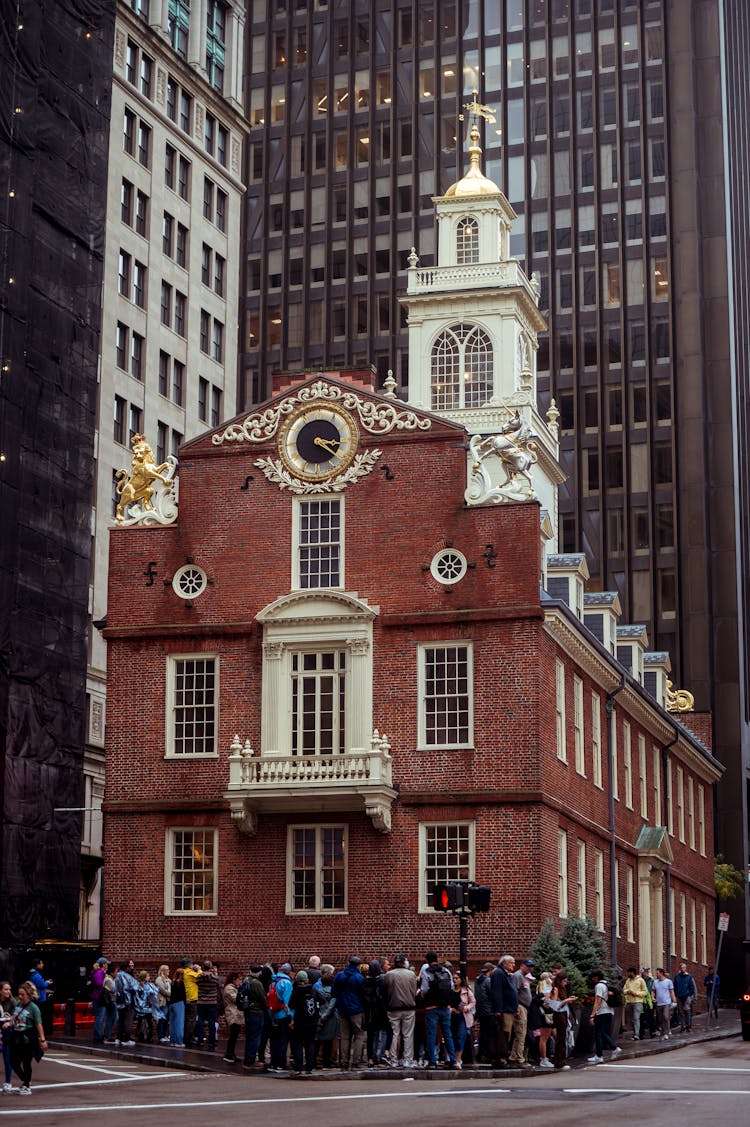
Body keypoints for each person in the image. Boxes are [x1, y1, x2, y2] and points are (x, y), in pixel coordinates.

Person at [420, 951, 458, 1068]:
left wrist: (422, 995)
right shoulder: (446, 971)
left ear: (427, 961)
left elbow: (424, 989)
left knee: (432, 1034)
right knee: (448, 1034)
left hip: (432, 1007)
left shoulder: (427, 972)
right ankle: (453, 1060)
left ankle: (432, 1061)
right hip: (446, 1007)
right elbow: (451, 986)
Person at [10, 982, 47, 1095]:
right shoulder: (18, 1004)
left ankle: (26, 1084)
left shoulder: (34, 1008)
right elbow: (14, 1017)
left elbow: (38, 1024)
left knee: (26, 1063)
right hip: (16, 1038)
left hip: (27, 1039)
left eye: (23, 994)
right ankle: (25, 1080)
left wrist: (42, 1040)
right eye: (19, 994)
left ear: (29, 994)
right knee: (14, 1062)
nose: (20, 997)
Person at [332, 956, 366, 1071]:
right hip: (356, 1009)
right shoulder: (359, 977)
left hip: (343, 1009)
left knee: (345, 1037)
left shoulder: (339, 975)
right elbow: (363, 994)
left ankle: (344, 1063)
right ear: (358, 965)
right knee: (359, 1035)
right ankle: (355, 1062)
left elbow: (334, 992)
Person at [383, 953, 417, 1068]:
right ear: (404, 962)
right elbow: (414, 991)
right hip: (408, 1007)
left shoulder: (389, 975)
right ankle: (407, 1059)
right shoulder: (411, 974)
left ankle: (393, 1059)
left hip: (393, 1007)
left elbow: (386, 992)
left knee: (394, 1034)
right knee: (407, 1034)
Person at [490, 955, 519, 1068]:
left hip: (509, 1008)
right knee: (504, 1033)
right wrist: (498, 1009)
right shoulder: (499, 973)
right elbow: (497, 992)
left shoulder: (505, 974)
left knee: (507, 1034)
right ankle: (500, 1058)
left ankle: (502, 1056)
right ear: (504, 963)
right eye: (512, 963)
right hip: (504, 1010)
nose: (513, 965)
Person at [586, 971, 622, 1063]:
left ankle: (612, 1049)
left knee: (599, 1033)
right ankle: (599, 1055)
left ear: (596, 977)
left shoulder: (599, 986)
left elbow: (597, 1001)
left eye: (593, 977)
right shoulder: (607, 984)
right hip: (610, 1012)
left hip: (602, 1012)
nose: (592, 979)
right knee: (602, 1033)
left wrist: (592, 1015)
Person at [289, 970, 319, 1074]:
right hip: (312, 1021)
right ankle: (309, 1067)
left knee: (297, 1044)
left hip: (300, 1021)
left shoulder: (296, 991)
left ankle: (298, 1067)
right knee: (310, 1044)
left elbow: (291, 1005)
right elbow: (322, 1000)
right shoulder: (313, 989)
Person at [239, 966, 268, 1069]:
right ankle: (250, 1061)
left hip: (248, 1011)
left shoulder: (247, 980)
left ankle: (247, 1059)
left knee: (250, 1037)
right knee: (255, 1038)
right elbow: (263, 999)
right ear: (259, 973)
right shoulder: (257, 983)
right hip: (256, 1012)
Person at [363, 959, 389, 1067]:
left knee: (372, 1035)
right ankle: (381, 1055)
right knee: (383, 1033)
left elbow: (364, 997)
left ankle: (371, 1058)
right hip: (382, 1010)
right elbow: (386, 995)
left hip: (370, 1011)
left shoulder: (365, 981)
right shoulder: (383, 980)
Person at [549, 972, 577, 1070]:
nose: (565, 983)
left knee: (563, 1037)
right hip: (559, 1014)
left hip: (564, 1013)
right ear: (559, 981)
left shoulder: (562, 989)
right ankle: (559, 1061)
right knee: (560, 1038)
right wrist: (566, 1000)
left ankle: (561, 1060)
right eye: (564, 981)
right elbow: (554, 1004)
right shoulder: (555, 989)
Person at [314, 963, 339, 1070]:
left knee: (318, 1040)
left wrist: (320, 1018)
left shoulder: (317, 991)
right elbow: (332, 1007)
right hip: (332, 1018)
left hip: (319, 1017)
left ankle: (315, 1060)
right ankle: (327, 1062)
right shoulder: (334, 993)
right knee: (329, 1040)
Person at [509, 958, 534, 1067]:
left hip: (524, 1007)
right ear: (522, 965)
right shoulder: (518, 976)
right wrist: (516, 1007)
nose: (529, 968)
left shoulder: (524, 977)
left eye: (531, 966)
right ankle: (520, 1058)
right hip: (520, 1006)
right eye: (527, 966)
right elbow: (514, 991)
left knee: (520, 1033)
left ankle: (513, 1056)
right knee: (521, 1033)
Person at [527, 974, 554, 1068]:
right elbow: (544, 1002)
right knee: (544, 1038)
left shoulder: (539, 988)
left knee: (545, 1038)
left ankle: (545, 1057)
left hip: (544, 1015)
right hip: (544, 1016)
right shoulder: (544, 987)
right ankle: (543, 1058)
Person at [449, 971, 475, 1067]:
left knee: (460, 1037)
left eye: (456, 978)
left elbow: (473, 1002)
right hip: (451, 1017)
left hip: (462, 1017)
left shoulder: (466, 990)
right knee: (451, 1038)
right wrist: (450, 1009)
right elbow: (446, 1002)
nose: (454, 980)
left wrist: (465, 1008)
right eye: (453, 978)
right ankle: (452, 1058)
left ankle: (458, 1059)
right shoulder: (450, 990)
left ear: (461, 980)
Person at [473, 962, 496, 1063]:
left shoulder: (477, 980)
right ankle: (488, 1054)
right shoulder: (488, 981)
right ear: (490, 970)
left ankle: (481, 1053)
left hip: (481, 1011)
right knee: (489, 1034)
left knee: (482, 1032)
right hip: (489, 1011)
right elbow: (492, 994)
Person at [195, 960, 220, 1050]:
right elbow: (217, 983)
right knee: (212, 1022)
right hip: (212, 1002)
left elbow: (197, 982)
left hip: (201, 1002)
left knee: (200, 1021)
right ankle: (211, 1041)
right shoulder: (215, 978)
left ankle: (200, 1040)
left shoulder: (199, 977)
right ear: (211, 967)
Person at [113, 961, 139, 1046]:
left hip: (119, 1001)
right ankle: (126, 1039)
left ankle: (119, 1038)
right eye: (130, 967)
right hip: (127, 1002)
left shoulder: (117, 976)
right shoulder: (125, 976)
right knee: (128, 1021)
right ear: (126, 967)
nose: (131, 968)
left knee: (121, 1021)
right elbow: (130, 988)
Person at [222, 971, 243, 1063]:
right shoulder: (229, 988)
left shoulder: (236, 988)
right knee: (233, 1035)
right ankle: (228, 1054)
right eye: (239, 979)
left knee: (235, 1035)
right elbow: (236, 999)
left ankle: (232, 1053)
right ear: (234, 979)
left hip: (237, 1013)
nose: (241, 981)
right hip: (232, 1013)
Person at [623, 966, 648, 1040]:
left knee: (636, 1018)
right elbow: (624, 990)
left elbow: (645, 992)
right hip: (629, 1002)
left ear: (632, 973)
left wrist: (636, 993)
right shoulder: (628, 980)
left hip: (638, 1002)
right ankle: (635, 1033)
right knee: (632, 1019)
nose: (628, 974)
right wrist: (627, 991)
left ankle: (637, 1034)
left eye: (629, 973)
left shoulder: (640, 980)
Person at [27, 961, 52, 1036]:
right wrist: (47, 983)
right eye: (41, 963)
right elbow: (42, 985)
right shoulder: (37, 975)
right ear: (37, 965)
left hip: (34, 997)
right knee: (39, 1016)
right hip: (39, 998)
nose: (43, 964)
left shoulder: (31, 973)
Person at [1, 981, 17, 1092]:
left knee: (8, 1059)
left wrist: (10, 1022)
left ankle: (8, 1082)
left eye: (9, 989)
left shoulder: (12, 1002)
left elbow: (17, 1017)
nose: (8, 992)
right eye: (6, 989)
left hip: (7, 1033)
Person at [652, 967, 676, 1039]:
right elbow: (652, 991)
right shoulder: (655, 982)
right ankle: (664, 1031)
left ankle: (666, 1032)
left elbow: (671, 992)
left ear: (661, 973)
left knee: (665, 1016)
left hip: (666, 1002)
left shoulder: (668, 981)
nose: (656, 974)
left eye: (657, 973)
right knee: (660, 1018)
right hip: (659, 1003)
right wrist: (653, 997)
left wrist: (674, 1001)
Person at [182, 959, 201, 1048]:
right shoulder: (189, 972)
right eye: (192, 964)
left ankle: (186, 1036)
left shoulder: (184, 972)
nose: (193, 965)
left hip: (187, 998)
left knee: (187, 1019)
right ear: (189, 965)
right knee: (191, 1019)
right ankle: (188, 1037)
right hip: (192, 998)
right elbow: (200, 976)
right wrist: (199, 969)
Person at [90, 958, 109, 1044]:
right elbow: (99, 983)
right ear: (103, 964)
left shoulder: (97, 972)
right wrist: (104, 980)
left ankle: (98, 1035)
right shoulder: (100, 972)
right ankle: (98, 1036)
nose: (107, 965)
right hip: (99, 997)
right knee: (100, 1017)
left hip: (96, 996)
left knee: (99, 1016)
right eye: (106, 964)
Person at [674, 961, 696, 1033]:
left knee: (687, 1011)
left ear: (686, 968)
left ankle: (688, 1026)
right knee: (681, 1013)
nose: (683, 969)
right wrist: (677, 994)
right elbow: (675, 987)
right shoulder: (677, 977)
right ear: (680, 968)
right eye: (682, 967)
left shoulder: (689, 977)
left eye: (684, 967)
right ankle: (682, 1027)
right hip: (679, 997)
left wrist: (689, 995)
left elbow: (692, 987)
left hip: (687, 997)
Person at [169, 968, 186, 1047]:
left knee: (173, 1023)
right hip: (179, 1003)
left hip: (172, 1003)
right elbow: (183, 995)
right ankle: (179, 1042)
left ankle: (173, 1041)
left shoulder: (172, 982)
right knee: (179, 1023)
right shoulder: (181, 983)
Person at [155, 965, 171, 1043]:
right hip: (162, 1001)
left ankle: (165, 1035)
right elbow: (163, 991)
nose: (169, 971)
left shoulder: (169, 980)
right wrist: (171, 994)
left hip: (168, 1001)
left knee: (166, 1020)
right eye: (167, 970)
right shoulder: (159, 979)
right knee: (162, 1019)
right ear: (162, 971)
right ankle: (160, 1036)